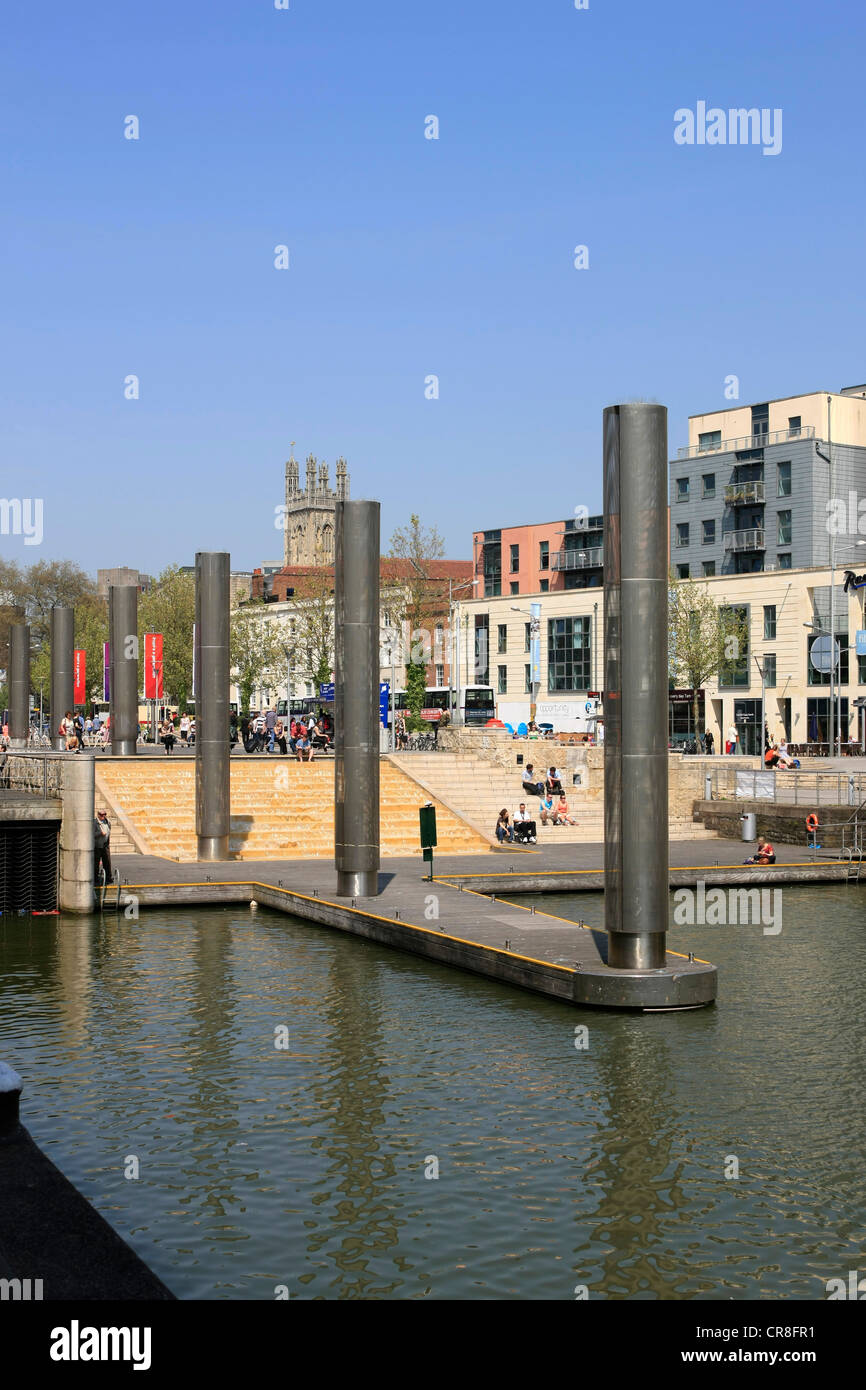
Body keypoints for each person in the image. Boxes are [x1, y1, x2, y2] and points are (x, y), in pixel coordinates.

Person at [94, 809, 112, 883]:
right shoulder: (94, 823)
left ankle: (108, 877)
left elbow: (109, 830)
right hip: (97, 846)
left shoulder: (107, 821)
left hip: (105, 845)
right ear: (98, 815)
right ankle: (95, 878)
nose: (103, 816)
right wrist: (100, 833)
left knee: (107, 862)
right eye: (101, 815)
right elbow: (91, 834)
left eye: (104, 814)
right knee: (96, 863)